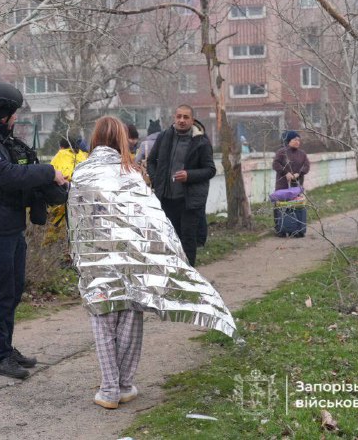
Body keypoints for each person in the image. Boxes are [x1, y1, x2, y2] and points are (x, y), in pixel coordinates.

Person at [68, 116, 235, 410]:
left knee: (103, 324)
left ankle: (108, 390)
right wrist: (171, 253)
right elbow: (153, 220)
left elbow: (77, 221)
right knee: (130, 321)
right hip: (132, 262)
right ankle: (124, 385)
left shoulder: (81, 172)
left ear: (94, 138)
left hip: (96, 263)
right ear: (121, 138)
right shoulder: (131, 173)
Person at [0, 81, 68, 380]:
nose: (16, 118)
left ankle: (6, 348)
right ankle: (0, 357)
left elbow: (17, 168)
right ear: (3, 112)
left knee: (14, 288)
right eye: (14, 112)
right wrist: (48, 171)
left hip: (9, 224)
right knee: (0, 292)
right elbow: (5, 175)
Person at [147, 105, 216, 266]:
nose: (182, 120)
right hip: (166, 199)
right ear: (174, 118)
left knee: (188, 239)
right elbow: (151, 161)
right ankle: (174, 274)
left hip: (189, 201)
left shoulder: (201, 141)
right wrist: (157, 180)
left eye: (186, 117)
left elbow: (210, 170)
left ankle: (189, 274)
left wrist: (189, 175)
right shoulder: (164, 137)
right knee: (169, 238)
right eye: (179, 117)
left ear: (192, 120)